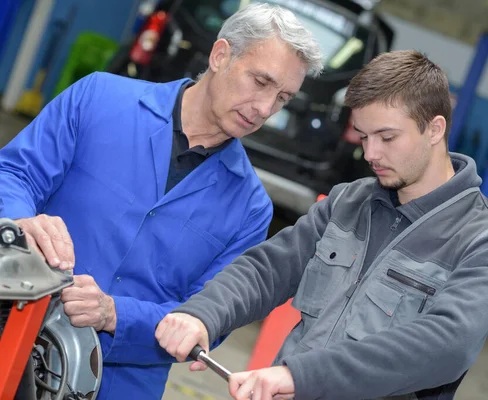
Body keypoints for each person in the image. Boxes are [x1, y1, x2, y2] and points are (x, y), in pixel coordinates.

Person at [155, 50, 488, 400]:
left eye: (387, 137)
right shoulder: (349, 202)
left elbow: (445, 343)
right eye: (364, 137)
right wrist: (202, 314)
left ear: (434, 129)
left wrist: (299, 376)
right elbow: (268, 269)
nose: (371, 154)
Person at [0, 3, 322, 399]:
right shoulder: (99, 98)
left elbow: (210, 316)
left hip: (118, 385)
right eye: (260, 81)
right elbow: (15, 173)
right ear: (221, 55)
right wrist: (20, 221)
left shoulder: (251, 208)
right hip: (13, 332)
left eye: (283, 98)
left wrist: (115, 314)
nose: (264, 109)